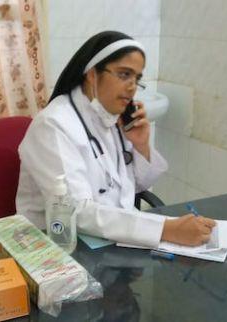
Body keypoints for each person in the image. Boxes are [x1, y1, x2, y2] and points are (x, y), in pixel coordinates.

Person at [16, 30, 215, 248]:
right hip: (60, 245)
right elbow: (76, 211)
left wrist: (141, 146)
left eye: (137, 78)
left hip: (109, 242)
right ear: (92, 74)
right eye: (124, 74)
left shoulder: (110, 116)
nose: (132, 87)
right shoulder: (53, 125)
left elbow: (136, 186)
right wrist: (165, 229)